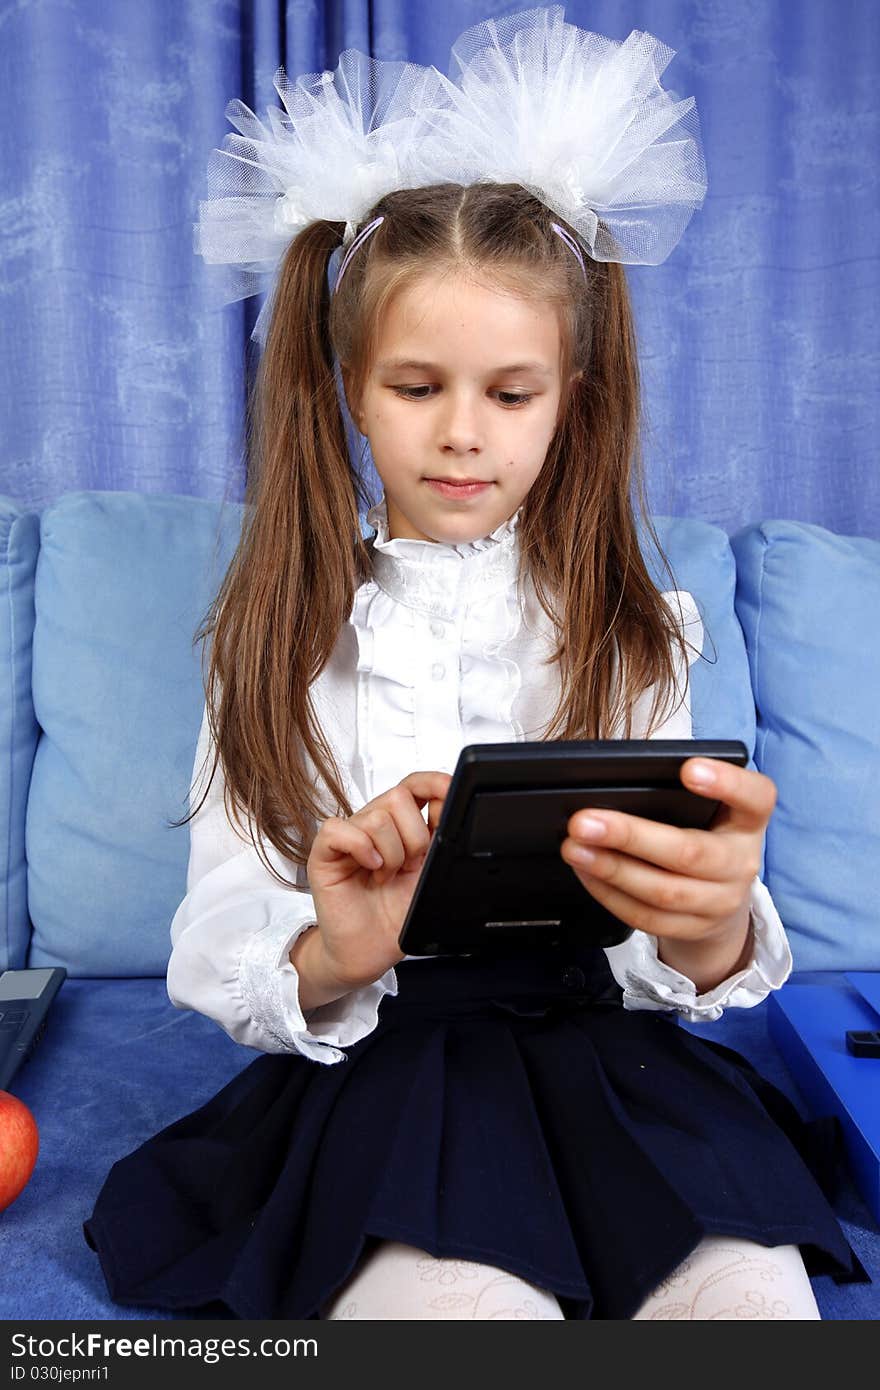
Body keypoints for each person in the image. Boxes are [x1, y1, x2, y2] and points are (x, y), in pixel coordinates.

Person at [83, 8, 859, 1320]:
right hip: (386, 1069)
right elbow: (223, 936)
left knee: (753, 1302)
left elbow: (672, 955)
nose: (462, 437)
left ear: (573, 396)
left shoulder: (637, 627)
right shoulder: (275, 642)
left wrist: (715, 926)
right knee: (463, 1308)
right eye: (414, 386)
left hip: (615, 1060)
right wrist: (336, 947)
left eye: (511, 394)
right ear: (343, 381)